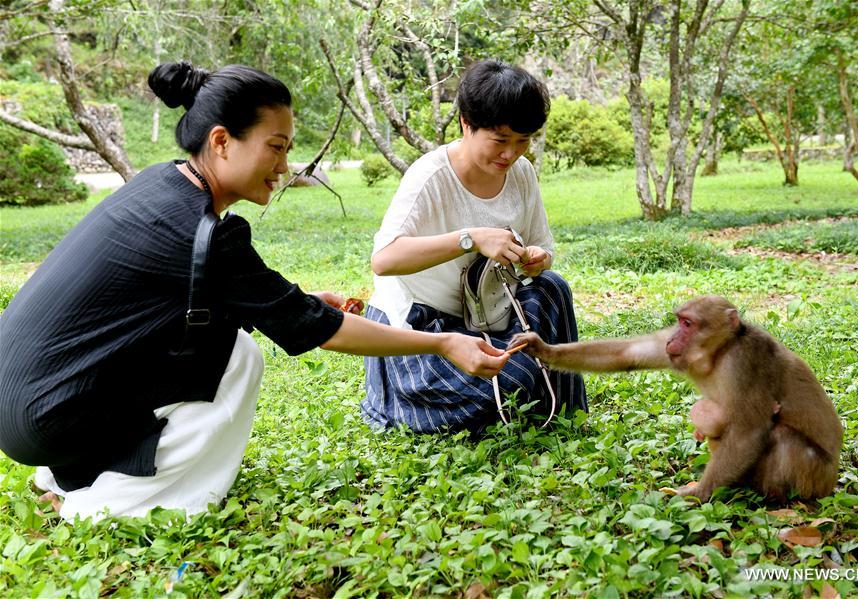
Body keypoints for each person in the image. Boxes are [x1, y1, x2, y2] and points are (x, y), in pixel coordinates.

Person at [0, 61, 509, 522]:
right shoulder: (209, 234)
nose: (285, 167)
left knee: (226, 341)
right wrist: (443, 343)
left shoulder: (159, 185)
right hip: (48, 419)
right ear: (222, 142)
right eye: (276, 147)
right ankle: (103, 505)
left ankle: (69, 478)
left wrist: (301, 303)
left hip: (20, 408)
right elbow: (317, 331)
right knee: (239, 360)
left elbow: (236, 301)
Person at [362, 60, 586, 433]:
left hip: (490, 316)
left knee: (553, 288)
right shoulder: (430, 178)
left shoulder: (522, 174)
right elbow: (384, 260)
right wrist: (471, 237)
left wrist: (536, 260)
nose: (511, 154)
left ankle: (561, 409)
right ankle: (404, 400)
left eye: (522, 141)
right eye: (500, 140)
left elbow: (543, 248)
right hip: (426, 327)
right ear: (467, 123)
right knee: (510, 381)